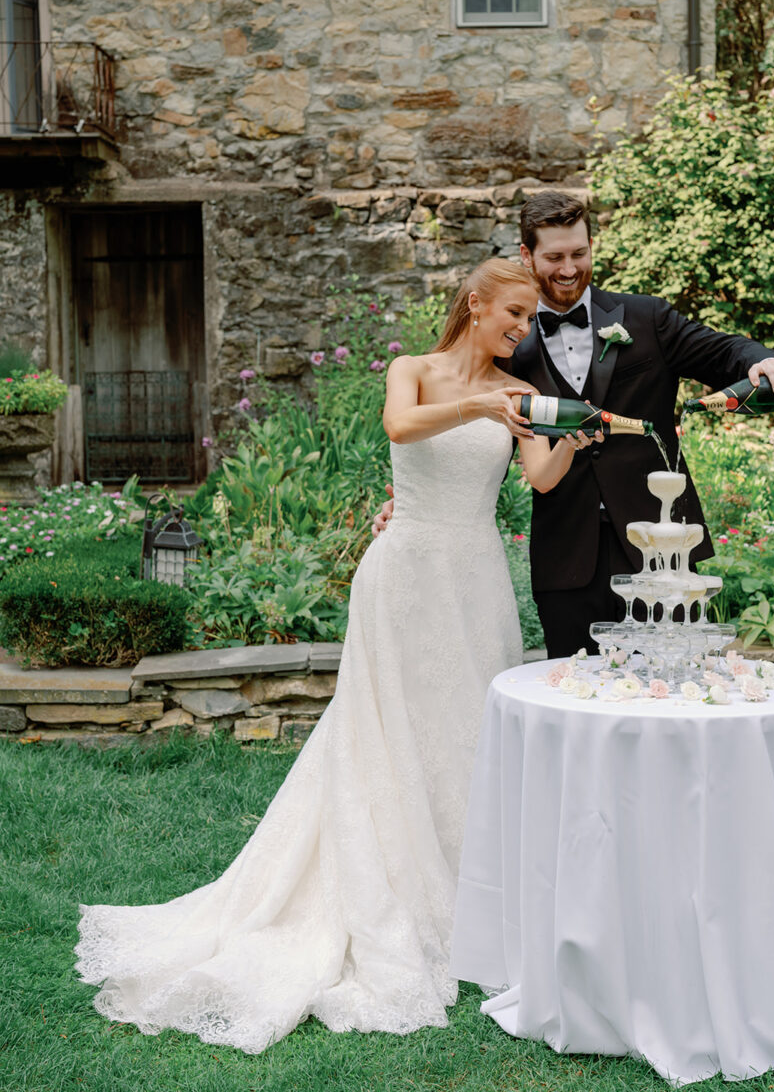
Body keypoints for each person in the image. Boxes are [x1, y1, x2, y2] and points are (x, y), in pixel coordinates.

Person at [74, 258, 598, 1053]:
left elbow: (538, 477)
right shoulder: (413, 372)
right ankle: (383, 891)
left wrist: (574, 441)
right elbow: (400, 427)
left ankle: (472, 902)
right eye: (514, 314)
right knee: (385, 735)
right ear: (474, 303)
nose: (521, 331)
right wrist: (480, 400)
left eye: (529, 322)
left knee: (464, 732)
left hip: (475, 580)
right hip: (406, 572)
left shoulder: (516, 390)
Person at [375, 191, 774, 658]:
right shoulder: (509, 341)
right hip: (564, 557)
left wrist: (762, 360)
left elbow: (721, 352)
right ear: (526, 256)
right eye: (554, 257)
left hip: (658, 547)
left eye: (579, 253)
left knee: (670, 690)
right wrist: (415, 502)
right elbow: (453, 409)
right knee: (572, 700)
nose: (569, 268)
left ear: (592, 246)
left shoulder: (646, 318)